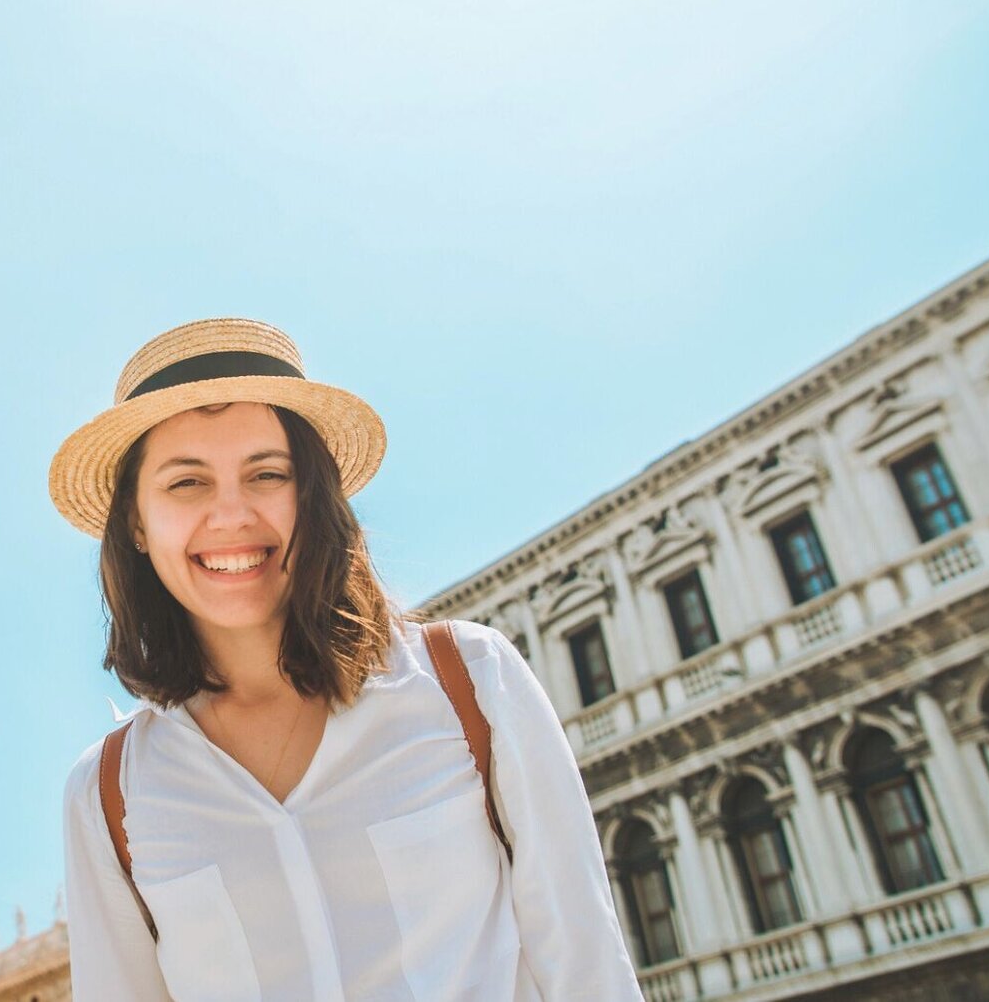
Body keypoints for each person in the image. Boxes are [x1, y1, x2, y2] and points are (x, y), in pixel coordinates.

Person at [50, 318, 644, 1001]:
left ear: (312, 494)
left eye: (267, 473)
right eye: (187, 482)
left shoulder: (473, 681)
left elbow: (590, 974)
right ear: (135, 522)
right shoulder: (106, 796)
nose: (231, 514)